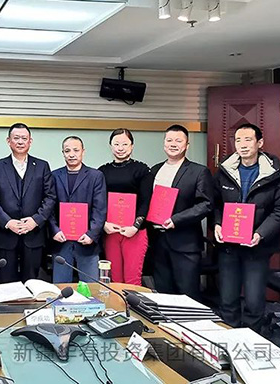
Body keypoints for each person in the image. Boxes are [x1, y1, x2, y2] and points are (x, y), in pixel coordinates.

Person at [214, 123, 280, 331]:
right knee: (227, 299)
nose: (242, 145)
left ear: (260, 143)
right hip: (228, 246)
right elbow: (214, 203)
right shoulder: (225, 171)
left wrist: (260, 233)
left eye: (248, 140)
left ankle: (252, 340)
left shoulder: (272, 174)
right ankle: (227, 339)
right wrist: (217, 224)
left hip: (257, 247)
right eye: (238, 140)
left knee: (254, 300)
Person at [146, 124, 214, 301]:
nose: (173, 144)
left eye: (178, 140)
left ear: (187, 145)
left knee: (188, 295)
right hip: (158, 242)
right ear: (164, 144)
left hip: (185, 244)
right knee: (163, 294)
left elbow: (206, 204)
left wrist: (176, 220)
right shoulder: (154, 170)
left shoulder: (199, 171)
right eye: (169, 140)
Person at [0, 123, 56, 282]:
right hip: (5, 235)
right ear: (8, 141)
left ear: (30, 141)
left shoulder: (42, 166)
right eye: (16, 138)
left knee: (32, 282)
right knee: (6, 283)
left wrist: (35, 220)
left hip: (33, 234)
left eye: (24, 138)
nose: (20, 142)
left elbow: (50, 197)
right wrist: (7, 222)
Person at [49, 136, 106, 283]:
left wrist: (92, 234)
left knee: (90, 289)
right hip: (61, 240)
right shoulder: (54, 176)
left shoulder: (95, 176)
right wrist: (54, 230)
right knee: (61, 289)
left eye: (76, 150)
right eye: (67, 151)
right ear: (63, 153)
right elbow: (49, 207)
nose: (72, 154)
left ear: (83, 152)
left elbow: (99, 209)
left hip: (87, 242)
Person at [98, 129, 151, 286]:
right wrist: (104, 224)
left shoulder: (142, 170)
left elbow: (146, 201)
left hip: (134, 231)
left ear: (132, 146)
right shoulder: (102, 171)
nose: (120, 148)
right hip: (111, 231)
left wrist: (135, 226)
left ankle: (133, 304)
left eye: (125, 144)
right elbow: (98, 201)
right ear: (110, 146)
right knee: (114, 279)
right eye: (116, 144)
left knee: (132, 279)